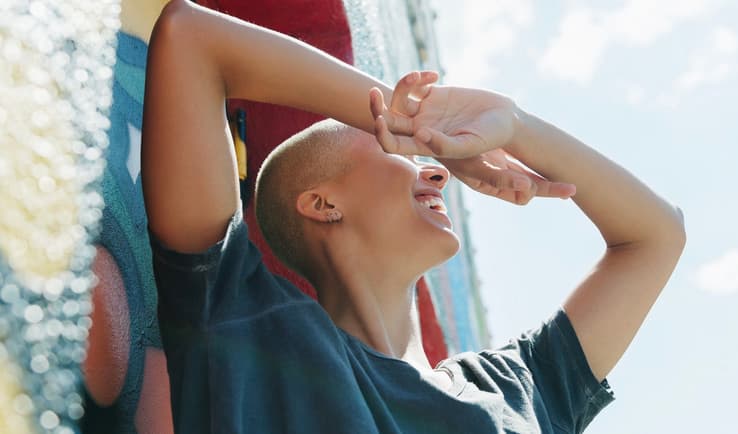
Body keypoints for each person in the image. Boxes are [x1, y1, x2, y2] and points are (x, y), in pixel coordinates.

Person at [142, 1, 686, 433]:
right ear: (322, 204)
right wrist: (404, 119)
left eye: (426, 158)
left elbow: (657, 235)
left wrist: (513, 124)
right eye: (401, 156)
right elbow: (191, 38)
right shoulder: (241, 322)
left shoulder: (519, 388)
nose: (438, 172)